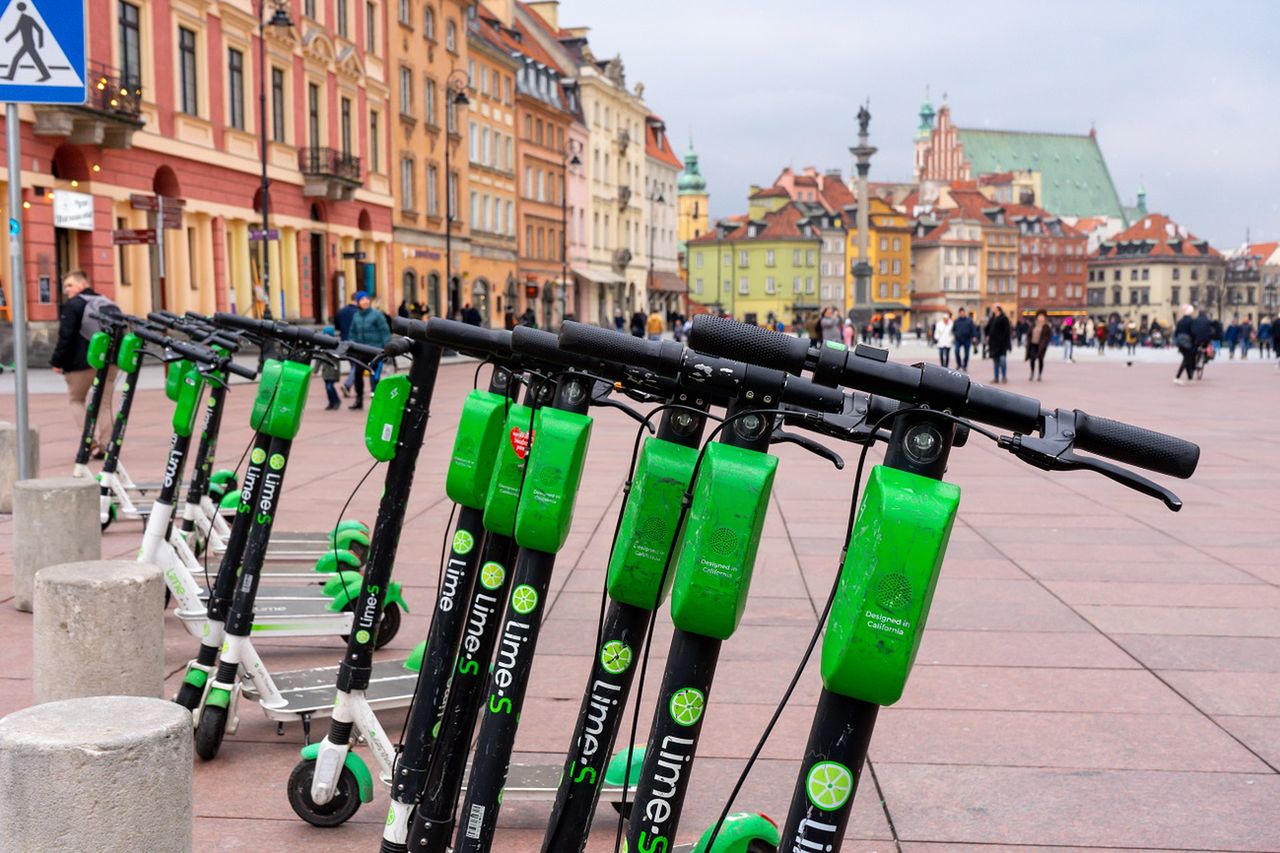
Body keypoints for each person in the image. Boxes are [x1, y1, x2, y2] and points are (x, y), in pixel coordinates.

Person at [49, 270, 118, 458]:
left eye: (70, 285)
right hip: (110, 362)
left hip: (81, 363)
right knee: (104, 403)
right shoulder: (108, 302)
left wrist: (57, 361)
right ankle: (106, 446)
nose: (67, 291)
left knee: (76, 400)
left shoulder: (73, 305)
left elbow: (66, 336)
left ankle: (90, 441)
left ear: (81, 285)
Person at [347, 292, 391, 409]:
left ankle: (376, 400)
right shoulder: (356, 316)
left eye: (366, 299)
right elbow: (352, 333)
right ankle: (359, 400)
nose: (365, 301)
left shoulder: (377, 315)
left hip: (375, 350)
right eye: (362, 299)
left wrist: (385, 348)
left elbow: (385, 332)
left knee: (374, 376)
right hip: (360, 351)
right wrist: (352, 345)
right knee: (357, 375)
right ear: (358, 302)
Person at [336, 292, 360, 399]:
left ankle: (349, 386)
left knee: (353, 365)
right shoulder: (359, 313)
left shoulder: (341, 312)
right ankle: (347, 384)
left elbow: (337, 326)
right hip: (356, 343)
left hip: (344, 341)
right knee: (357, 366)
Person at [314, 327, 341, 411]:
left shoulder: (336, 346)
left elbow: (338, 357)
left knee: (330, 387)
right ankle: (331, 402)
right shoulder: (322, 347)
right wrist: (315, 370)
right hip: (325, 371)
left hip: (333, 370)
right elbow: (318, 360)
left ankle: (336, 401)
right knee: (327, 388)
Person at [986, 304, 1011, 384]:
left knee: (1003, 361)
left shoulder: (1004, 318)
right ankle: (996, 377)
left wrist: (1006, 343)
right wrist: (987, 335)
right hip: (994, 344)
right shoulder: (992, 318)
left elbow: (1007, 331)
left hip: (1002, 344)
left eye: (994, 308)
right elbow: (987, 328)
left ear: (998, 309)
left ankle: (1004, 377)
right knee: (995, 361)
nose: (993, 309)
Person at [1173, 305, 1198, 384]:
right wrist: (1195, 341)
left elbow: (1176, 332)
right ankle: (1177, 377)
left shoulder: (1180, 321)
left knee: (1186, 359)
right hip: (1187, 342)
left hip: (1180, 342)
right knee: (1186, 359)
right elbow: (1193, 332)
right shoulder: (1192, 321)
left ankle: (1190, 378)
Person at [1026, 310, 1051, 381]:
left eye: (1042, 317)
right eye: (1039, 316)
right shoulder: (1033, 325)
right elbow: (1029, 333)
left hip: (1041, 346)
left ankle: (1039, 375)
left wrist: (1045, 343)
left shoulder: (1046, 326)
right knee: (1032, 359)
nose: (1041, 318)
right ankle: (1032, 373)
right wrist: (1028, 341)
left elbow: (1048, 336)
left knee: (1040, 360)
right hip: (1033, 344)